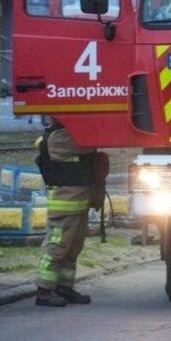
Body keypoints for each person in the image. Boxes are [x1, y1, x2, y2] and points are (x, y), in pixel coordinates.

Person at [34, 119, 107, 307]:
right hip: (65, 204)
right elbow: (88, 145)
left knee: (74, 247)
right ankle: (44, 290)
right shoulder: (59, 139)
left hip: (79, 201)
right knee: (58, 245)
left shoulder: (68, 136)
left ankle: (64, 287)